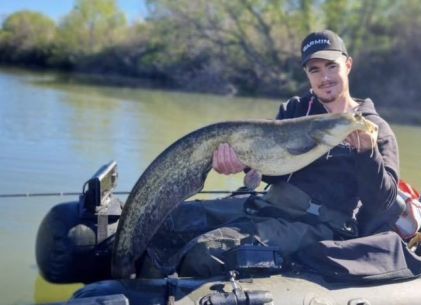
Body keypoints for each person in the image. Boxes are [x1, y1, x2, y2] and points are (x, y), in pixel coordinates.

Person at [142, 29, 401, 278]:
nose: (324, 78)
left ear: (348, 65)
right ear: (307, 74)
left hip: (320, 226)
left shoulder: (376, 128)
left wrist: (367, 153)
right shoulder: (294, 109)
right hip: (270, 206)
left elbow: (383, 202)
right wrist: (243, 163)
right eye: (315, 70)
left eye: (331, 66)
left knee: (203, 254)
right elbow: (275, 173)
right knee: (172, 220)